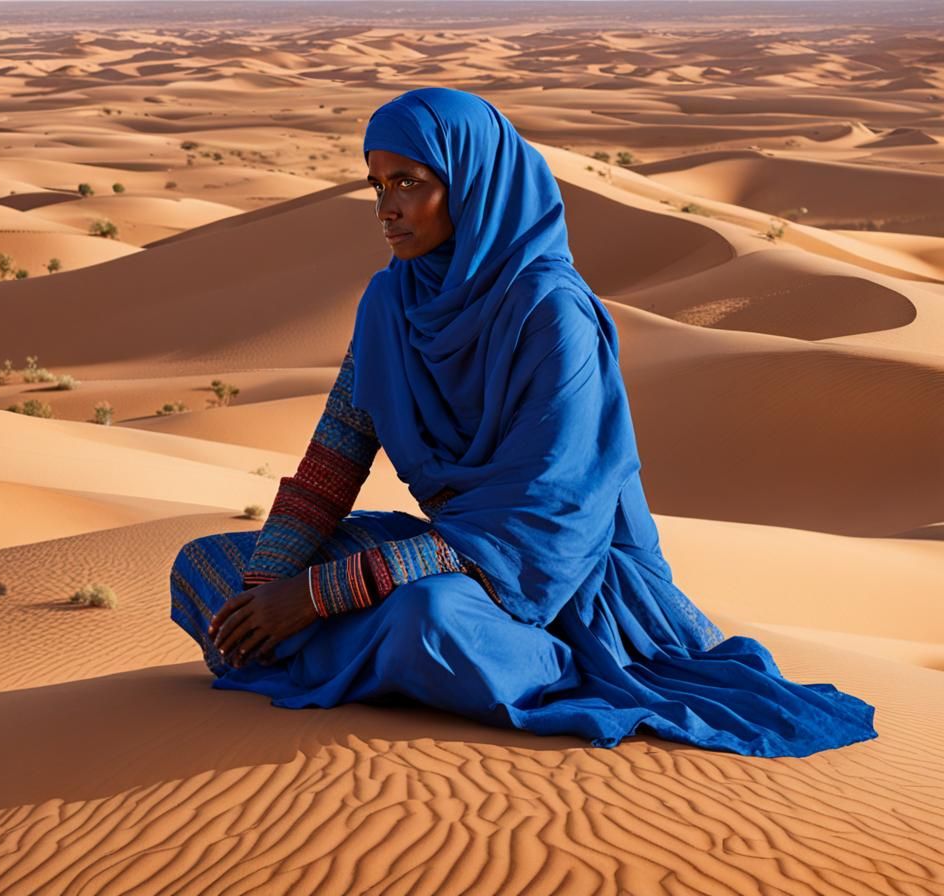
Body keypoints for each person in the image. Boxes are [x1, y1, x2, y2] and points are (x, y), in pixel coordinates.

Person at [170, 87, 878, 757]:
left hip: (562, 577)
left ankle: (536, 666)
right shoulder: (391, 302)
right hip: (451, 554)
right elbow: (332, 463)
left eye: (410, 182)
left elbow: (543, 515)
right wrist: (267, 593)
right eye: (377, 185)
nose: (386, 207)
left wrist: (319, 596)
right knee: (205, 571)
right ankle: (380, 656)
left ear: (472, 185)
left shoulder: (551, 311)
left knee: (432, 624)